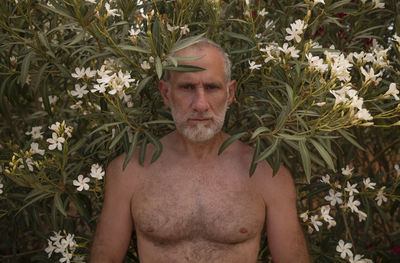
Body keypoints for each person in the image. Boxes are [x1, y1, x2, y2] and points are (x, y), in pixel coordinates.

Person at [89, 37, 310, 263]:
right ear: (166, 93)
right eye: (187, 87)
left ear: (230, 93)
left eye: (212, 87)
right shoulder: (129, 172)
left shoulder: (267, 175)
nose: (200, 104)